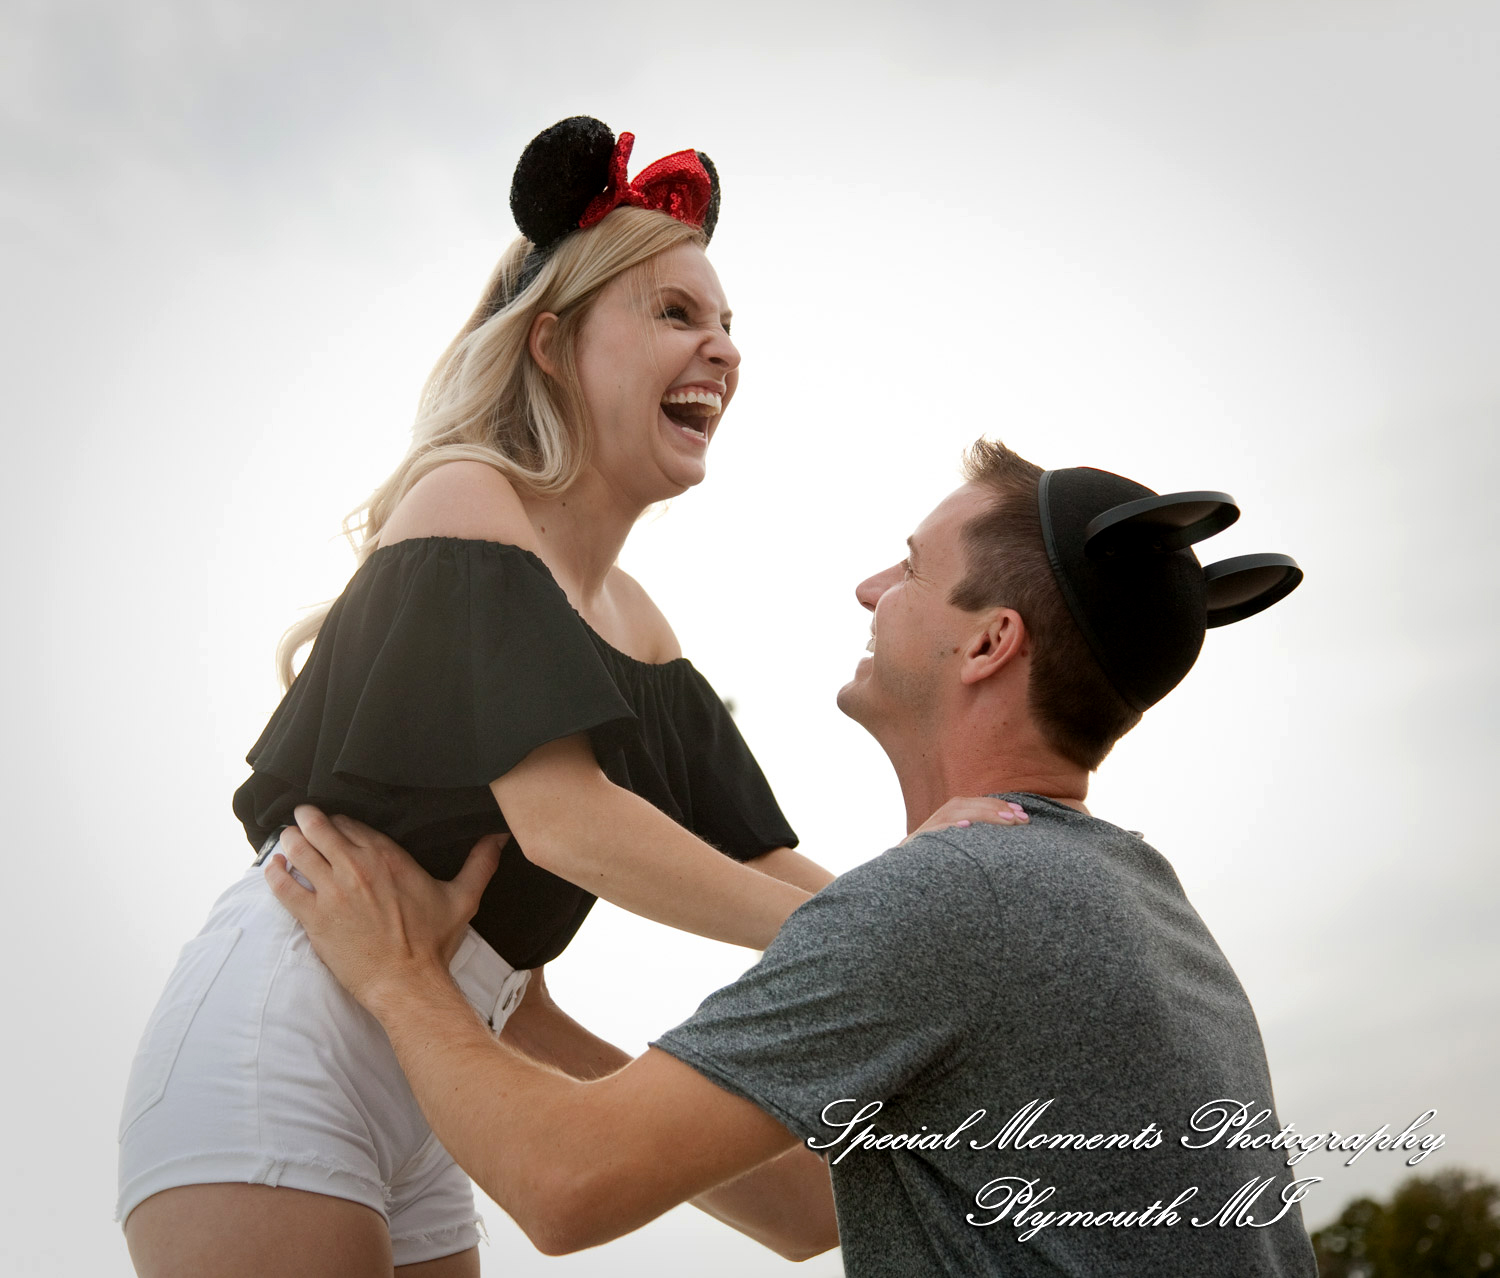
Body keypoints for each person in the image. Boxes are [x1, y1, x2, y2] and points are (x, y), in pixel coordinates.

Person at [116, 116, 1018, 1278]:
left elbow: (753, 859)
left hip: (446, 1048)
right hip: (283, 1026)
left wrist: (943, 908)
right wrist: (895, 943)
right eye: (677, 314)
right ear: (550, 346)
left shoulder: (638, 621)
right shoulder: (462, 497)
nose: (723, 351)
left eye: (729, 325)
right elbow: (567, 820)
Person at [271, 439, 1320, 1276]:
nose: (870, 589)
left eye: (910, 569)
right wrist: (528, 1018)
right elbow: (809, 1209)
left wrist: (402, 980)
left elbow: (564, 1185)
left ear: (990, 643)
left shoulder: (960, 897)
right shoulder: (1138, 905)